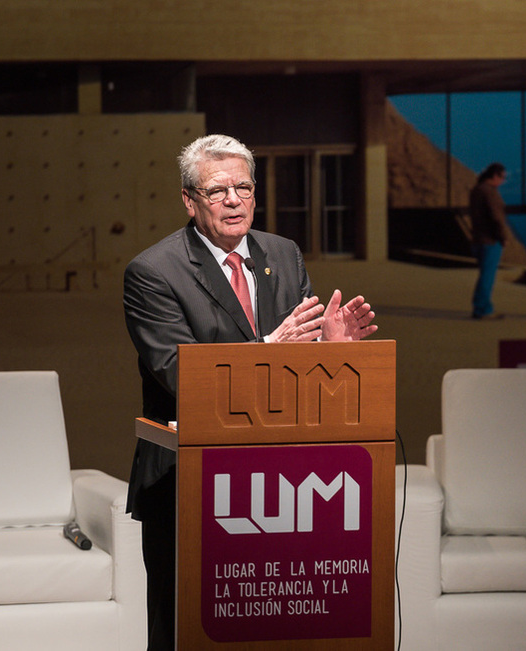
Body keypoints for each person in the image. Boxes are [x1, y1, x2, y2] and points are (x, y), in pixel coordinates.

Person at [122, 134, 377, 649]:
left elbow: (300, 367)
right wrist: (270, 346)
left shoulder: (283, 254)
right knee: (184, 629)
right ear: (189, 199)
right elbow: (177, 375)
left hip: (281, 484)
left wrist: (331, 350)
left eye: (243, 187)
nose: (233, 200)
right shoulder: (152, 272)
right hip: (186, 479)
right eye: (217, 191)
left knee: (270, 628)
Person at [468, 162, 510, 319]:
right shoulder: (490, 192)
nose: (502, 181)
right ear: (495, 176)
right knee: (488, 276)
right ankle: (482, 308)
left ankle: (482, 307)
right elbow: (497, 217)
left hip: (478, 238)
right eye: (502, 177)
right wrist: (503, 237)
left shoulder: (476, 190)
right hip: (490, 240)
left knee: (484, 274)